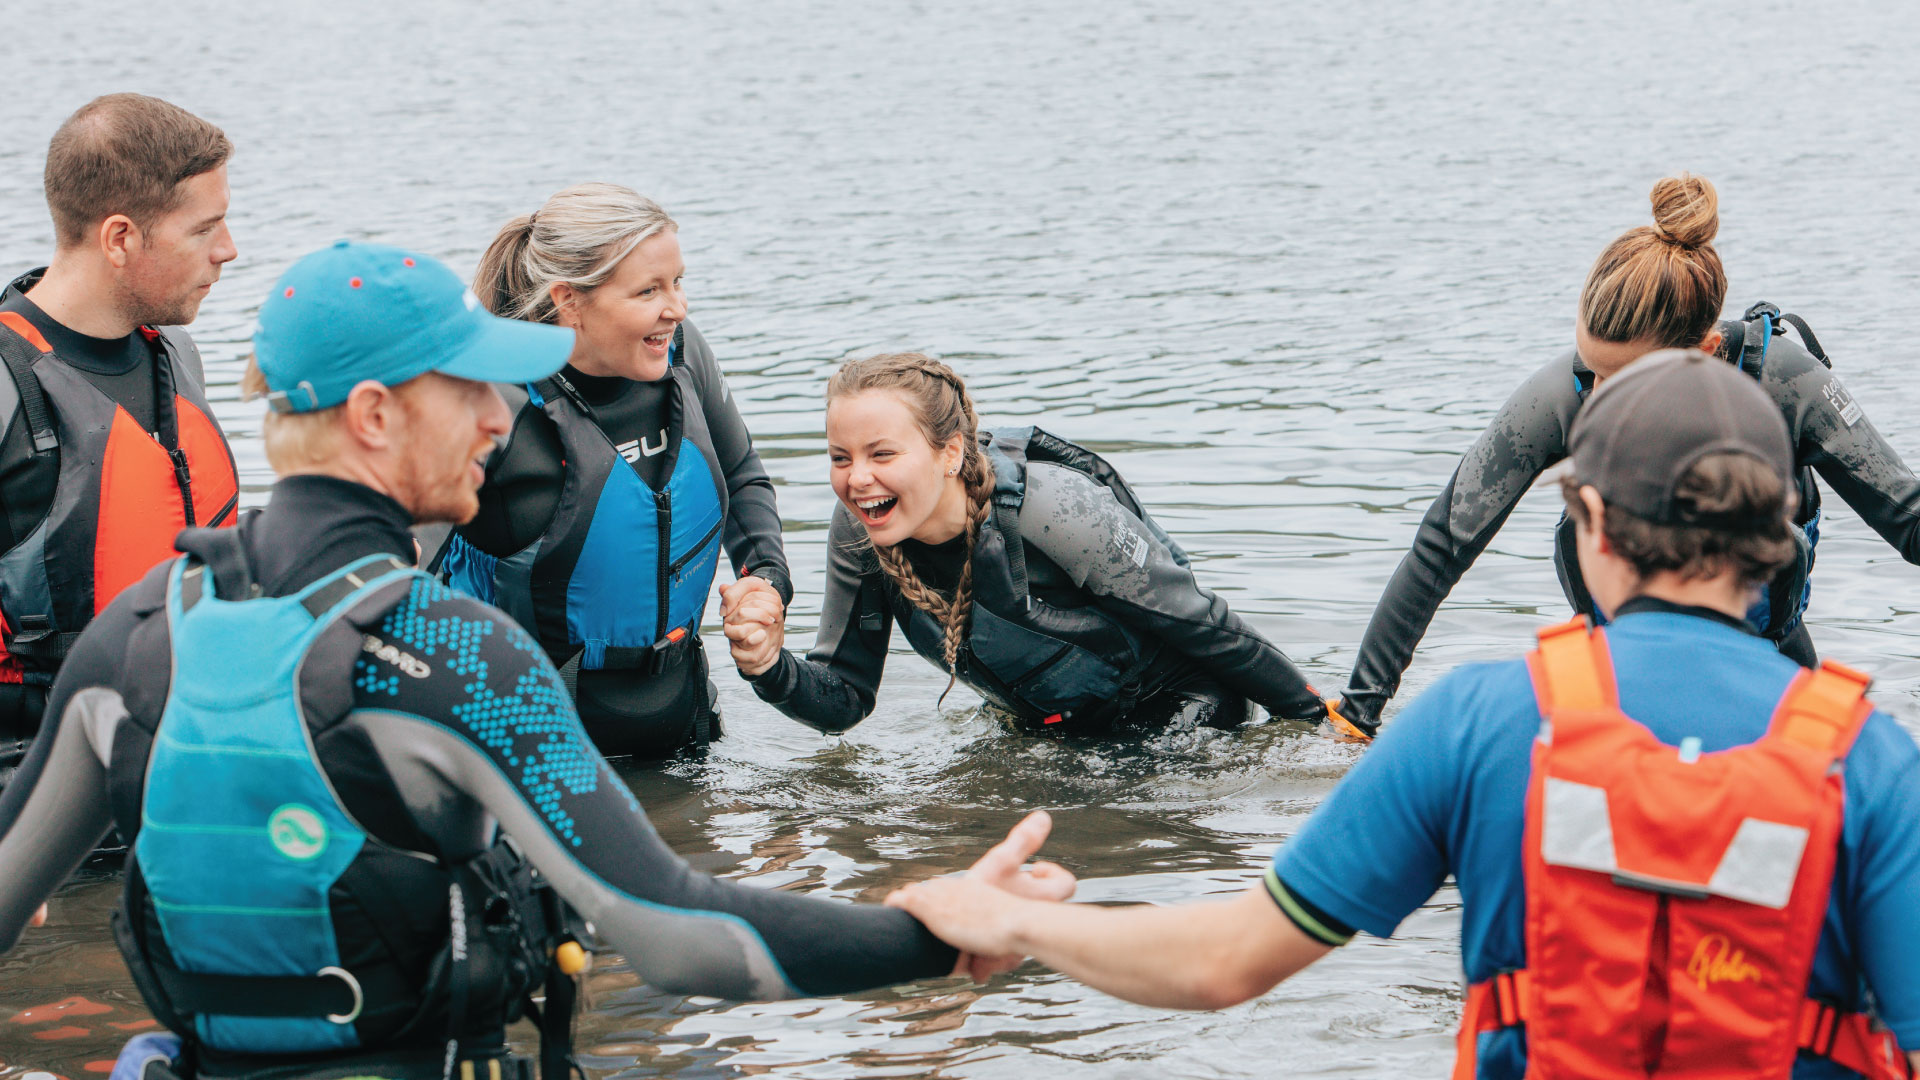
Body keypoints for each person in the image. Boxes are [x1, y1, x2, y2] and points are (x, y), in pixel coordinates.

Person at [0, 242, 1071, 1080]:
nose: (500, 416)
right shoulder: (449, 653)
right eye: (472, 388)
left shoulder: (142, 626)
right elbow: (679, 938)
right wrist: (935, 935)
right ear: (376, 416)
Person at [888, 351, 1920, 1079]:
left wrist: (1015, 919)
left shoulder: (1482, 720)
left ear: (1590, 525)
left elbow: (1218, 966)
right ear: (1781, 537)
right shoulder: (1870, 758)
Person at [1333, 173, 1920, 738]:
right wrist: (1360, 714)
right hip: (1623, 656)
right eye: (1593, 371)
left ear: (1707, 350)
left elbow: (1909, 525)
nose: (1601, 393)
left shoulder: (1786, 383)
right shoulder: (1563, 392)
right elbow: (1442, 545)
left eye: (1626, 378)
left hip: (1766, 648)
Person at [727, 352, 1329, 734]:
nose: (858, 479)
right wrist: (771, 667)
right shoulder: (861, 529)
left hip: (1182, 707)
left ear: (950, 453)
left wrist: (1322, 724)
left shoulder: (1051, 511)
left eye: (882, 454)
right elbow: (847, 700)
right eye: (840, 457)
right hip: (1049, 726)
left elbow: (1206, 625)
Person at [434, 183, 788, 758]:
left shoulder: (680, 353)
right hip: (528, 747)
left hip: (682, 724)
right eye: (649, 290)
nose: (677, 308)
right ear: (569, 299)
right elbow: (389, 574)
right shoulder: (490, 402)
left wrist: (766, 581)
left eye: (678, 282)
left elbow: (741, 472)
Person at [0, 94, 240, 789]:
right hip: (44, 817)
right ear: (121, 238)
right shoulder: (9, 385)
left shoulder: (176, 354)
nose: (229, 250)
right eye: (206, 228)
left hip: (183, 783)